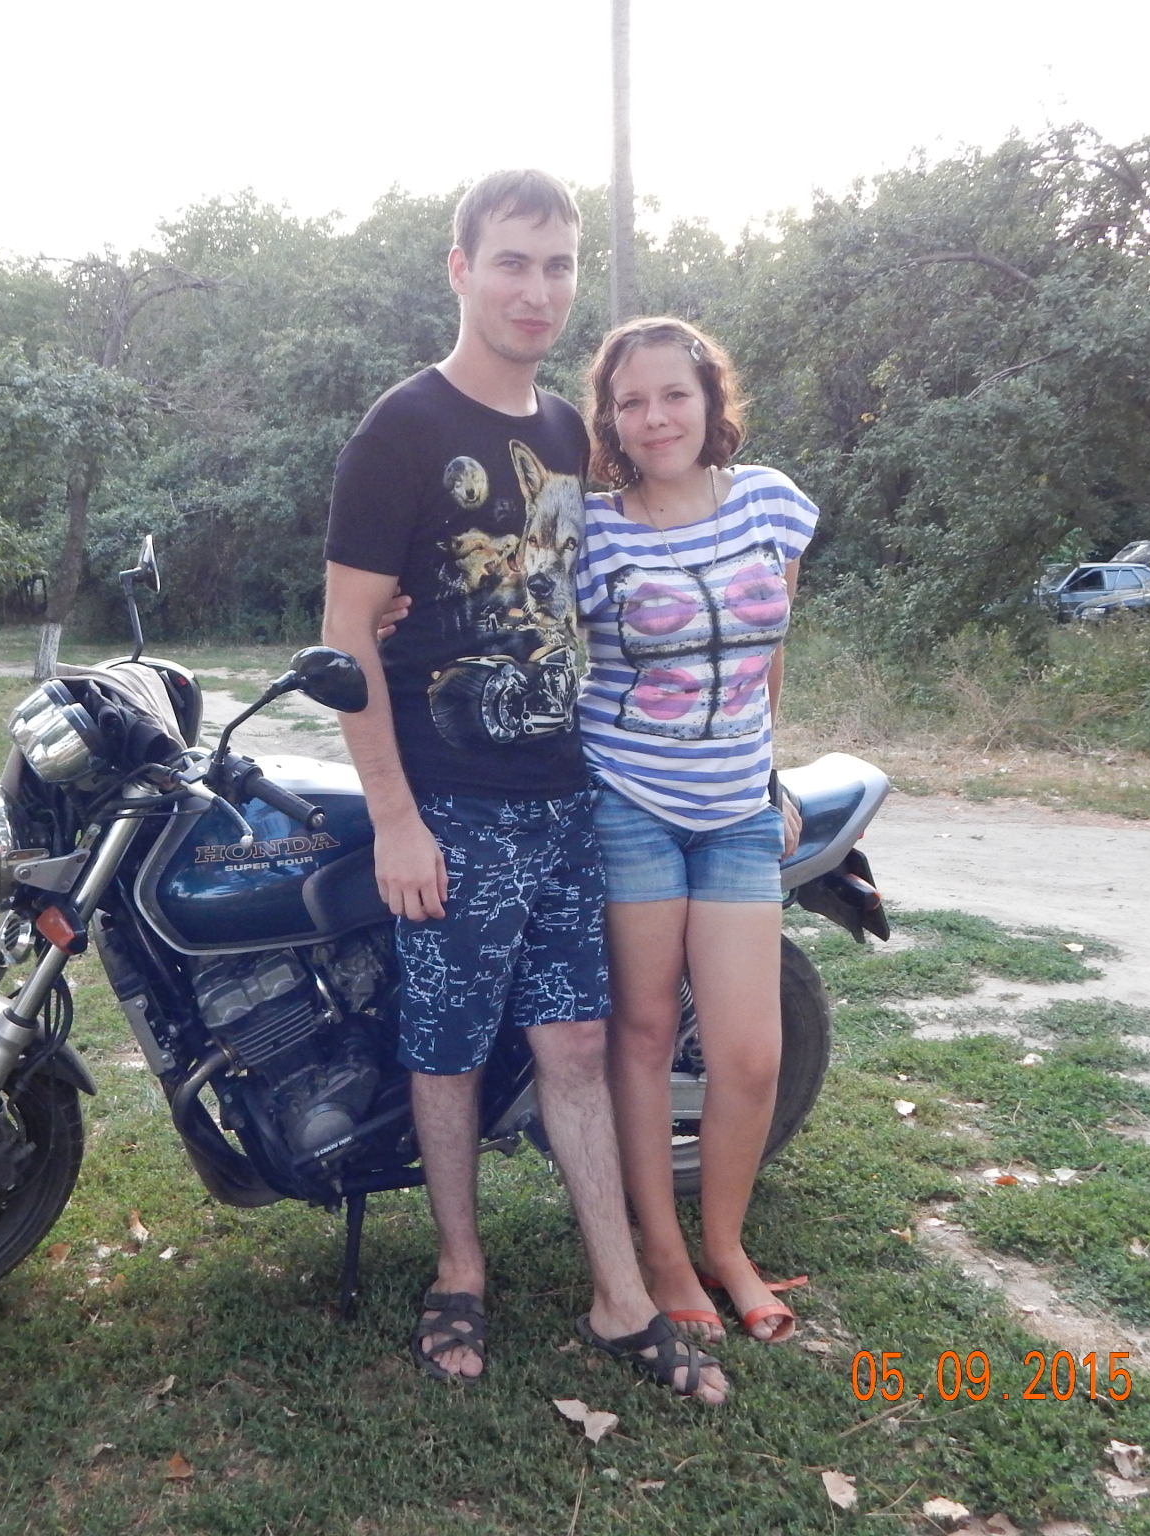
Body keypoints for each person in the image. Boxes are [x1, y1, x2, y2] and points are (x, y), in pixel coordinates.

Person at [321, 170, 727, 1404]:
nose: (535, 289)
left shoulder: (566, 434)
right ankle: (459, 1270)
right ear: (460, 269)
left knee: (576, 1043)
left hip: (563, 796)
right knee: (444, 1052)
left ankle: (619, 1295)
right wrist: (395, 818)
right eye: (511, 261)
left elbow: (628, 560)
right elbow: (345, 636)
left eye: (557, 266)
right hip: (448, 802)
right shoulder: (399, 429)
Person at [575, 317, 817, 1345]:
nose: (655, 418)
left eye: (673, 394)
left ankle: (725, 1244)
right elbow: (501, 614)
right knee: (639, 1034)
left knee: (748, 1056)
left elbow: (768, 649)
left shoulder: (771, 502)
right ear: (609, 420)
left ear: (710, 399)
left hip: (734, 813)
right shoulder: (588, 529)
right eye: (630, 402)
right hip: (627, 798)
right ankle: (665, 1257)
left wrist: (767, 770)